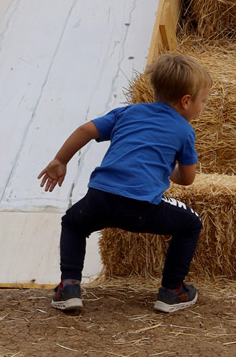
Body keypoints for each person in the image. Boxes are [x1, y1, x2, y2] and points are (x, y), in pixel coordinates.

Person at [38, 53, 212, 314]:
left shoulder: (129, 112)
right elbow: (187, 179)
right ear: (186, 101)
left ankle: (69, 287)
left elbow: (86, 130)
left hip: (100, 197)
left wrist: (60, 161)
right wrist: (167, 171)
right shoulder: (184, 130)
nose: (203, 107)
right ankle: (171, 291)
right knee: (190, 224)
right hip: (140, 209)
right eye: (203, 101)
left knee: (73, 223)